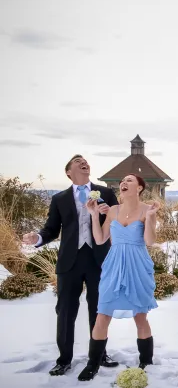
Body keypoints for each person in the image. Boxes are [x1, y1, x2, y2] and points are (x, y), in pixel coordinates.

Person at [22, 155, 119, 376]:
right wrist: (36, 237)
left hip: (99, 260)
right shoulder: (60, 199)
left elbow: (119, 220)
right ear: (69, 172)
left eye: (85, 160)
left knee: (99, 310)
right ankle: (64, 359)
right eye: (78, 161)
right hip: (69, 262)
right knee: (65, 311)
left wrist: (109, 215)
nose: (83, 162)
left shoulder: (105, 192)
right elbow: (51, 229)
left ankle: (99, 355)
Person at [77, 174, 159, 381]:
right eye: (123, 180)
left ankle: (146, 362)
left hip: (137, 264)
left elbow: (149, 241)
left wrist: (150, 218)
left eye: (130, 180)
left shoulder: (147, 209)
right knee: (103, 313)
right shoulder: (112, 211)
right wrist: (94, 215)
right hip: (114, 264)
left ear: (139, 188)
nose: (124, 182)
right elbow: (100, 238)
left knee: (140, 315)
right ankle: (92, 363)